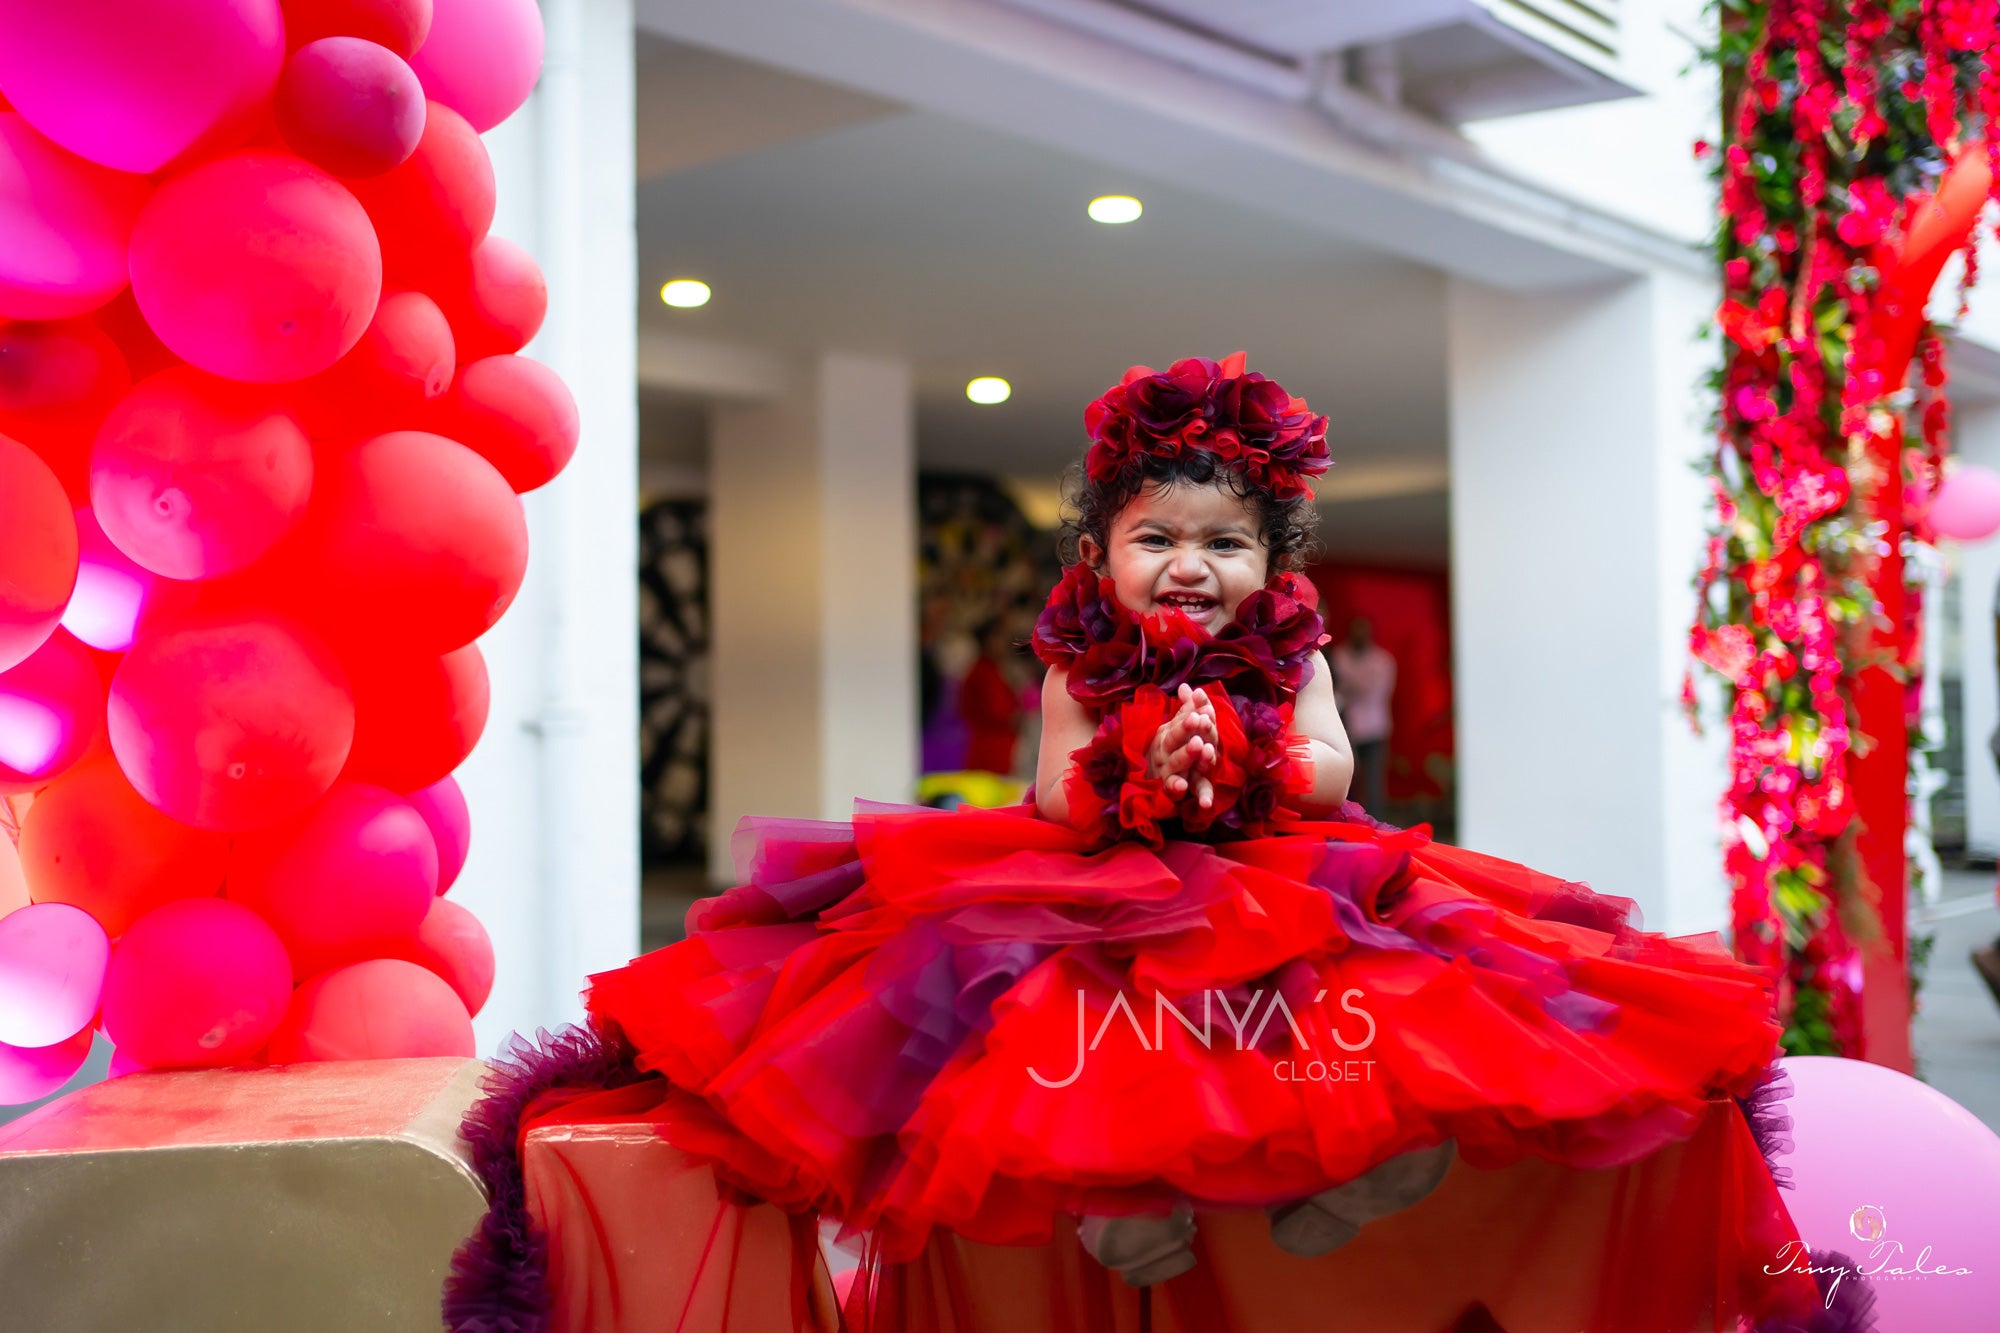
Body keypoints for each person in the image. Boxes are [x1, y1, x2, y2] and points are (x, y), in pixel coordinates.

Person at [448, 354, 1830, 1333]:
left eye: (1224, 542)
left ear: (1271, 566)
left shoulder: (1290, 656)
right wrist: (1133, 766)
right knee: (1074, 1042)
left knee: (1358, 1027)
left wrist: (1256, 758)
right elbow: (1052, 798)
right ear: (1100, 558)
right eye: (1155, 536)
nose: (1189, 564)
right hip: (1100, 878)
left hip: (1288, 873)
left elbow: (1335, 769)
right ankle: (1120, 1216)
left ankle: (1364, 1180)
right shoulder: (1080, 668)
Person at [1330, 616, 1395, 815]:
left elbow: (1376, 691)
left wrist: (1350, 688)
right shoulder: (1338, 656)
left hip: (1375, 727)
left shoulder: (1383, 660)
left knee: (1373, 784)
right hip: (1346, 728)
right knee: (1347, 783)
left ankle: (1377, 827)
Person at [957, 619, 1023, 776]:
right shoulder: (984, 673)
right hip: (989, 749)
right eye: (999, 637)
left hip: (993, 746)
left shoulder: (989, 670)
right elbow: (1000, 712)